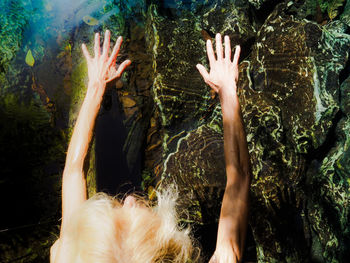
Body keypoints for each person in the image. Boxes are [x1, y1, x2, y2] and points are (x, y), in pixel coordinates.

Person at [50, 30, 250, 263]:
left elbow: (74, 171)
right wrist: (227, 90)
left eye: (116, 207)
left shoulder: (75, 252)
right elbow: (240, 177)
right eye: (135, 211)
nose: (129, 200)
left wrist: (96, 88)